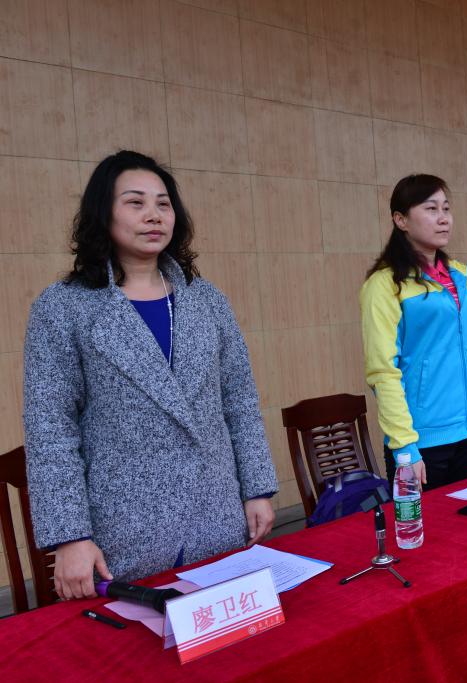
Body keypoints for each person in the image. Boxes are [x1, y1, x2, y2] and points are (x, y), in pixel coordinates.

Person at [23, 150, 278, 599]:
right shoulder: (64, 306)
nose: (154, 215)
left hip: (216, 513)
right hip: (125, 529)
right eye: (135, 202)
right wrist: (70, 536)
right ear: (103, 213)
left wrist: (257, 489)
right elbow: (51, 429)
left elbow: (239, 400)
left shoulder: (206, 299)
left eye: (163, 204)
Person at [360, 174, 467, 490]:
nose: (443, 218)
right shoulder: (385, 285)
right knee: (427, 523)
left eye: (446, 208)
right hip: (422, 443)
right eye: (431, 209)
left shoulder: (462, 276)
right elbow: (383, 371)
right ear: (400, 220)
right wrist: (404, 445)